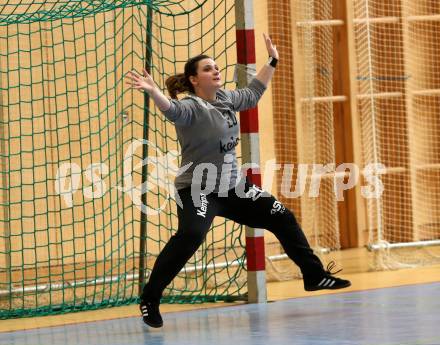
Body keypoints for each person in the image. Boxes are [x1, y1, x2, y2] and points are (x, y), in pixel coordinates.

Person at [126, 34, 351, 328]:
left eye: (216, 67)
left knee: (283, 217)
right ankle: (150, 298)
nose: (215, 71)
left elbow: (255, 92)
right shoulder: (192, 107)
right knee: (191, 236)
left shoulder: (227, 98)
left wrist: (272, 60)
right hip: (197, 189)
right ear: (194, 80)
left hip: (235, 188)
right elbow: (172, 110)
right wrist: (154, 91)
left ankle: (314, 275)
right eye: (208, 69)